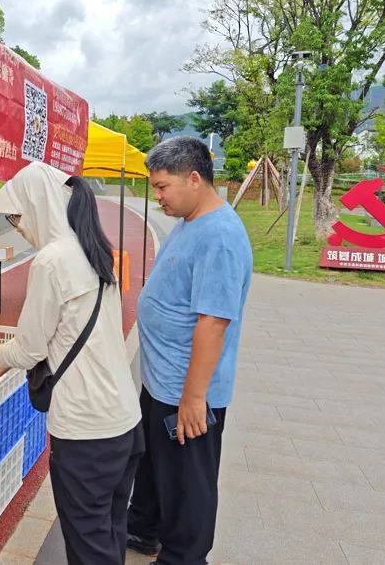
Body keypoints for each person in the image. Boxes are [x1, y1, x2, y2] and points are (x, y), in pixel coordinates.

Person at [0, 162, 142, 565]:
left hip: (86, 431)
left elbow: (29, 350)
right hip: (124, 420)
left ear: (39, 207)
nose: (18, 227)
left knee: (88, 546)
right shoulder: (92, 247)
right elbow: (60, 335)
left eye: (17, 217)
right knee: (110, 532)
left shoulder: (51, 260)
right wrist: (3, 357)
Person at [126, 137, 252, 565]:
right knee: (153, 467)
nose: (157, 197)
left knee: (187, 482)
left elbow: (213, 323)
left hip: (187, 388)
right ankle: (143, 528)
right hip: (162, 380)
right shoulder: (190, 220)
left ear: (194, 179)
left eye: (163, 187)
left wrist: (194, 398)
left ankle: (184, 557)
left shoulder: (220, 237)